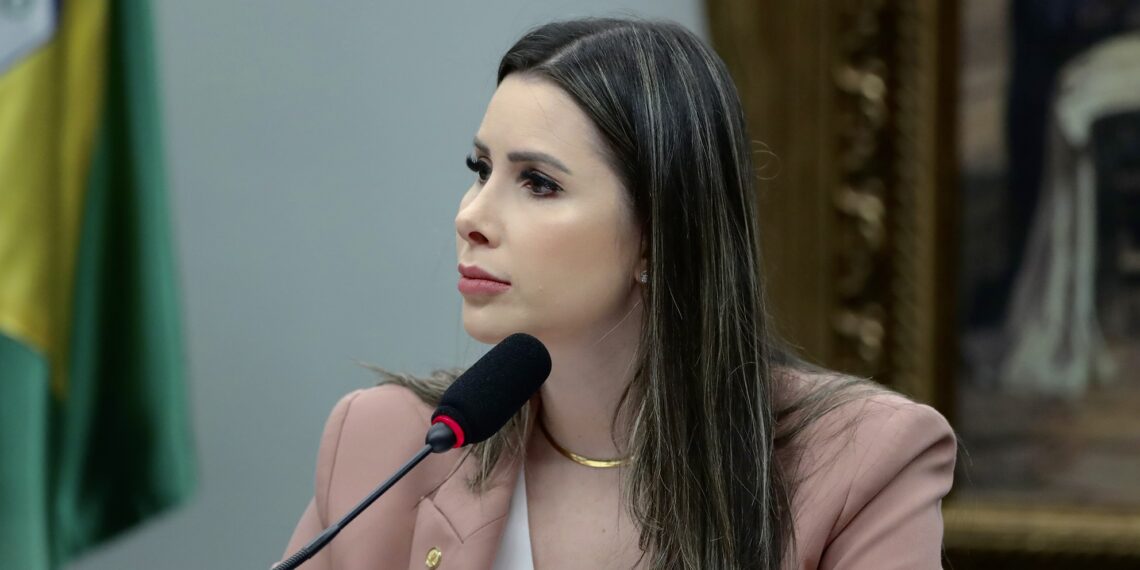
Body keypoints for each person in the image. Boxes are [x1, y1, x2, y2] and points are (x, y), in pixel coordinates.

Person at [281, 17, 957, 570]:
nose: (471, 217)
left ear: (656, 235)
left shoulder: (861, 464)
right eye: (480, 170)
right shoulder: (389, 445)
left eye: (538, 182)